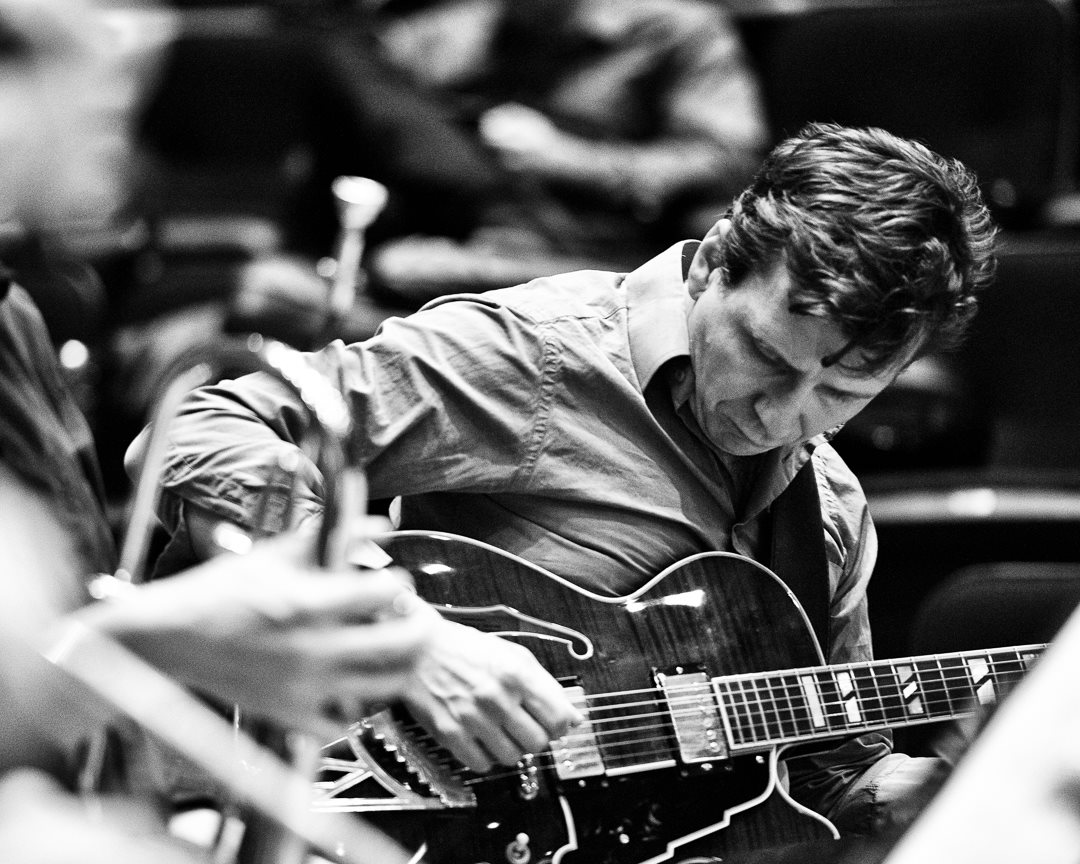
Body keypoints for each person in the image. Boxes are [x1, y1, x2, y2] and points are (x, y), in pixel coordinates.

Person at [147, 120, 998, 851]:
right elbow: (199, 427)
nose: (782, 415)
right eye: (765, 355)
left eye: (840, 394)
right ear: (711, 267)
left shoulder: (832, 513)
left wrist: (924, 792)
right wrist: (400, 635)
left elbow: (824, 774)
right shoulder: (539, 358)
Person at [363, 0, 771, 300]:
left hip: (600, 241)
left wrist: (565, 158)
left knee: (403, 267)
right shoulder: (492, 20)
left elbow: (726, 159)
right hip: (475, 212)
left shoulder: (678, 29)